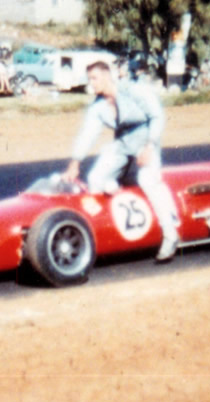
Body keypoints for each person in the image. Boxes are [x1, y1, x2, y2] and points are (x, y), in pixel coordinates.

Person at [63, 60, 180, 261]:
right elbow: (87, 134)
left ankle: (170, 234)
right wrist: (75, 163)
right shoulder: (98, 106)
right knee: (95, 178)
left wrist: (150, 146)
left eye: (95, 78)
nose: (92, 83)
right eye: (89, 79)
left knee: (147, 179)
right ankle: (110, 227)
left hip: (146, 139)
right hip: (123, 143)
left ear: (107, 76)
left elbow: (157, 116)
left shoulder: (133, 90)